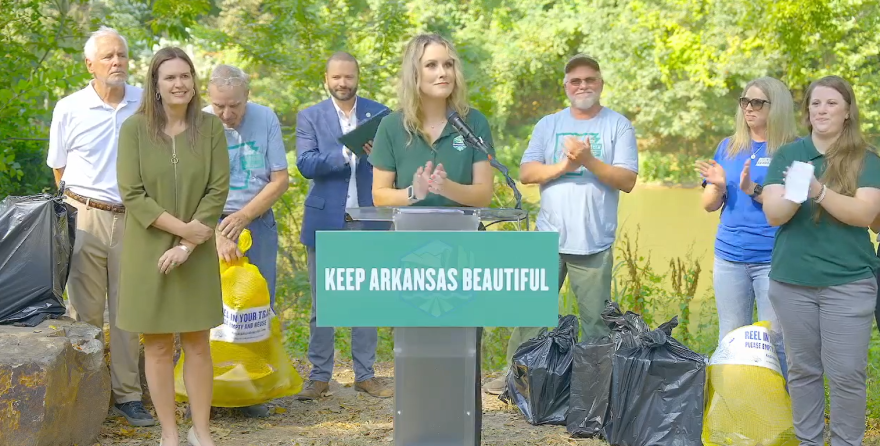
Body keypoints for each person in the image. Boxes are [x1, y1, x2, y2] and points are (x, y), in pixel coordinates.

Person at [484, 54, 639, 395]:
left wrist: (588, 160)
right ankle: (516, 379)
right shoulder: (548, 124)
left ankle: (593, 388)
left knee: (596, 322)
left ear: (600, 82)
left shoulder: (618, 125)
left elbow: (627, 179)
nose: (583, 86)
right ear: (566, 86)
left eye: (590, 79)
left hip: (594, 242)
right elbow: (526, 173)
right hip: (548, 237)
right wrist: (564, 167)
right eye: (576, 81)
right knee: (531, 315)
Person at [367, 30, 494, 443]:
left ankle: (458, 432)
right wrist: (413, 193)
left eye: (449, 64)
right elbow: (379, 193)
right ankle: (418, 429)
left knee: (460, 351)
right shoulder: (391, 126)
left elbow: (484, 192)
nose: (443, 72)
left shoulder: (473, 123)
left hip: (462, 253)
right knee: (417, 349)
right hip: (410, 255)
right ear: (414, 73)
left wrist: (445, 190)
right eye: (432, 65)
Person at [116, 47, 230, 446]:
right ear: (156, 86)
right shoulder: (133, 130)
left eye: (185, 76)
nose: (179, 83)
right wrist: (183, 230)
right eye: (170, 78)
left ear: (194, 81)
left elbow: (218, 189)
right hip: (148, 249)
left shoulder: (211, 127)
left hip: (195, 252)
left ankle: (201, 429)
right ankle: (169, 433)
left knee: (198, 343)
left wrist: (187, 242)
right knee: (159, 345)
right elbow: (133, 193)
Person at [45, 26, 154, 427]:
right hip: (84, 216)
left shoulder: (145, 103)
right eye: (108, 56)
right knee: (86, 314)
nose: (117, 62)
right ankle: (88, 396)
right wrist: (79, 211)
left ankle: (128, 396)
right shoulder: (69, 108)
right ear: (89, 63)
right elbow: (59, 168)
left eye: (122, 55)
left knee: (128, 313)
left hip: (134, 218)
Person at [762, 75, 880, 446]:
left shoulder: (867, 158)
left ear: (847, 112)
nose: (822, 110)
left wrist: (820, 191)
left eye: (831, 103)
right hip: (791, 282)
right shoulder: (787, 154)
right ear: (807, 112)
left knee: (846, 373)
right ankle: (809, 441)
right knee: (803, 371)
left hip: (848, 282)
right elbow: (774, 214)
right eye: (816, 103)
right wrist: (796, 195)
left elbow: (865, 214)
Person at [295, 51, 393, 400]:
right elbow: (305, 163)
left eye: (348, 76)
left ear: (357, 77)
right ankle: (319, 375)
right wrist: (347, 154)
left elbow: (396, 161)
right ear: (326, 79)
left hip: (370, 218)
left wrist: (377, 152)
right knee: (324, 304)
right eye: (336, 77)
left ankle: (365, 374)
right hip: (326, 219)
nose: (342, 83)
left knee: (366, 299)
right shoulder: (311, 116)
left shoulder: (381, 114)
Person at [695, 76, 798, 380]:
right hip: (729, 258)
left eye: (757, 102)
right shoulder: (729, 146)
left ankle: (783, 417)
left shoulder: (792, 150)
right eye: (744, 101)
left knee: (776, 342)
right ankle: (733, 416)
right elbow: (709, 205)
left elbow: (794, 206)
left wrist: (753, 188)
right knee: (730, 338)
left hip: (773, 259)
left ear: (776, 107)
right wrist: (716, 185)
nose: (748, 109)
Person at [204, 64, 289, 418]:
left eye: (234, 106)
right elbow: (187, 188)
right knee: (209, 310)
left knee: (255, 308)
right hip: (209, 221)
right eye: (220, 106)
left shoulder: (265, 118)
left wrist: (243, 218)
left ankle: (253, 391)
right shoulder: (199, 121)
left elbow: (280, 179)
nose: (227, 114)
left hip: (257, 220)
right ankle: (208, 389)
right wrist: (217, 231)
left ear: (247, 96)